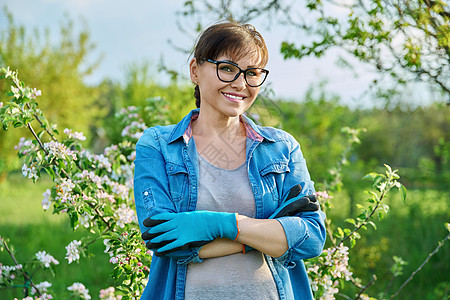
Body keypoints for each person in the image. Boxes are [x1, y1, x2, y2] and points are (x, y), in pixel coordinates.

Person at [133, 21, 326, 300]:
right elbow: (164, 241)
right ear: (195, 71)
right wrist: (265, 233)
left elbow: (311, 236)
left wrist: (221, 224)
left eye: (252, 73)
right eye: (227, 68)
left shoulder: (281, 148)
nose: (240, 83)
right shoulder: (159, 146)